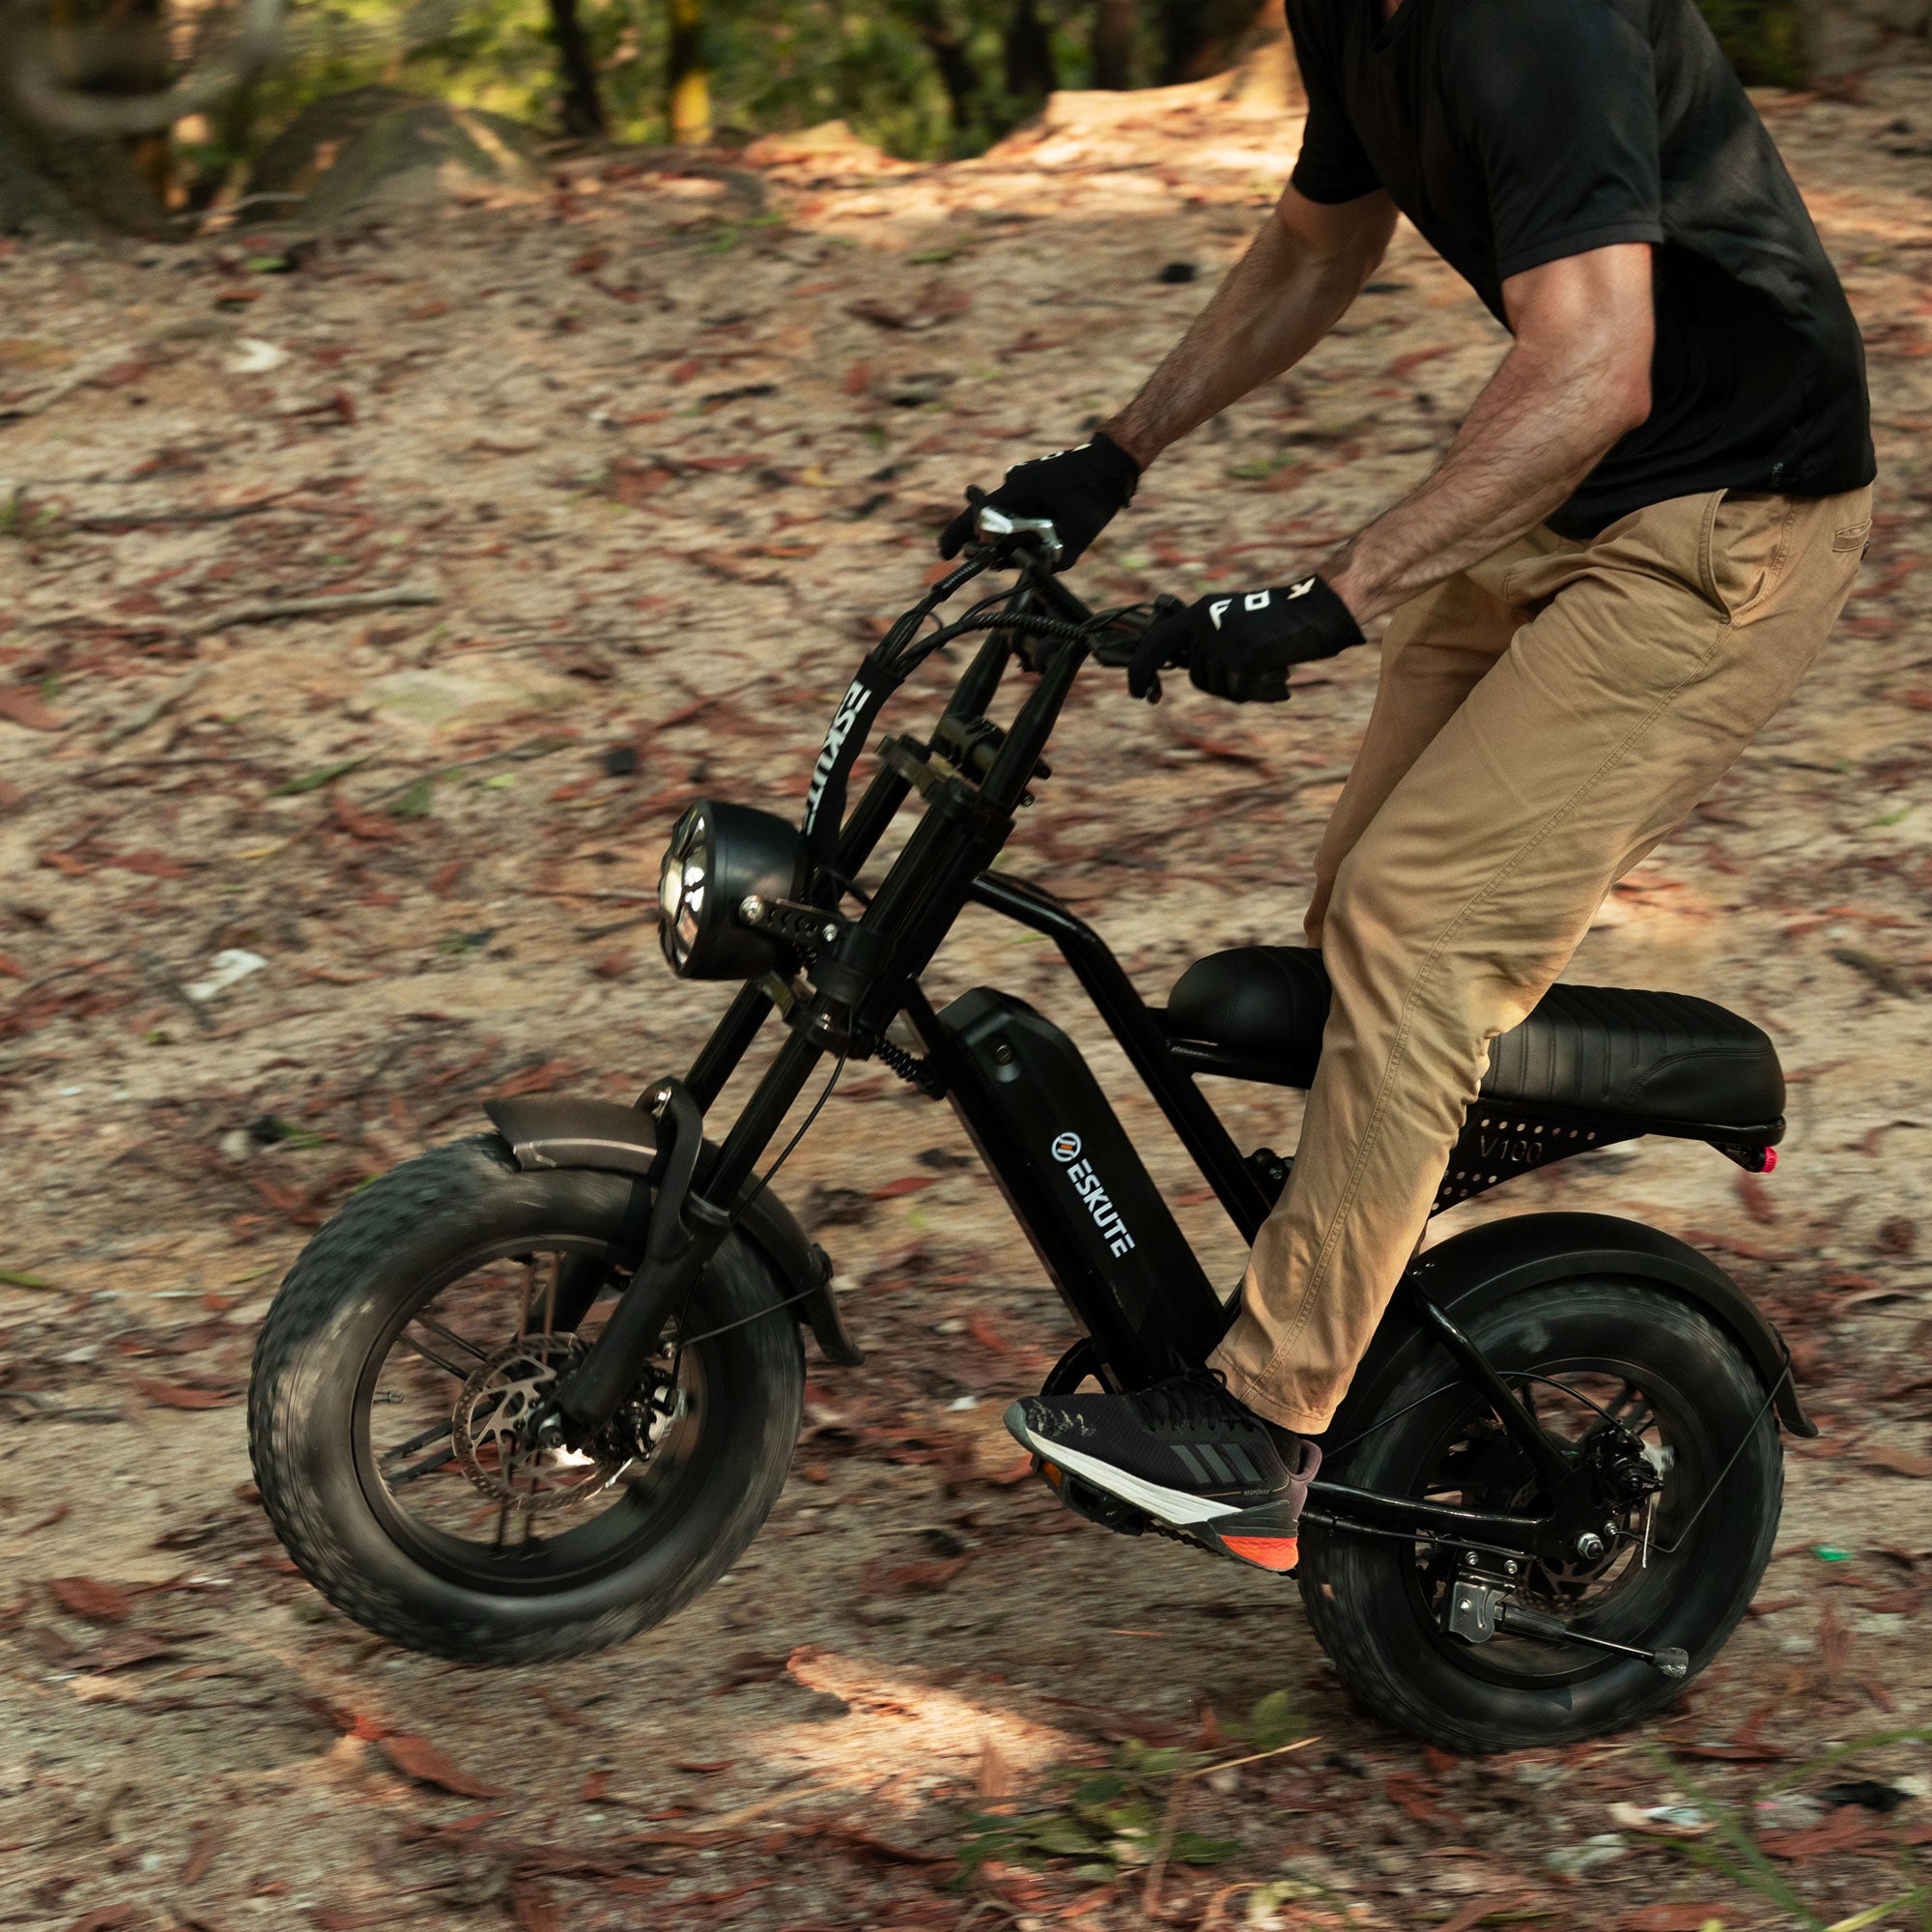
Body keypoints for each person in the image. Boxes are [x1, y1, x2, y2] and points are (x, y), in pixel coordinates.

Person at [959, 0, 1875, 1575]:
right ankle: (1408, 1308)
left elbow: (1597, 362)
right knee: (1358, 932)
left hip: (1728, 521)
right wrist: (1114, 454)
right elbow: (1318, 246)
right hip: (1573, 497)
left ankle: (1264, 1434)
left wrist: (1335, 595)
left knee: (1417, 933)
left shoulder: (1530, 16)